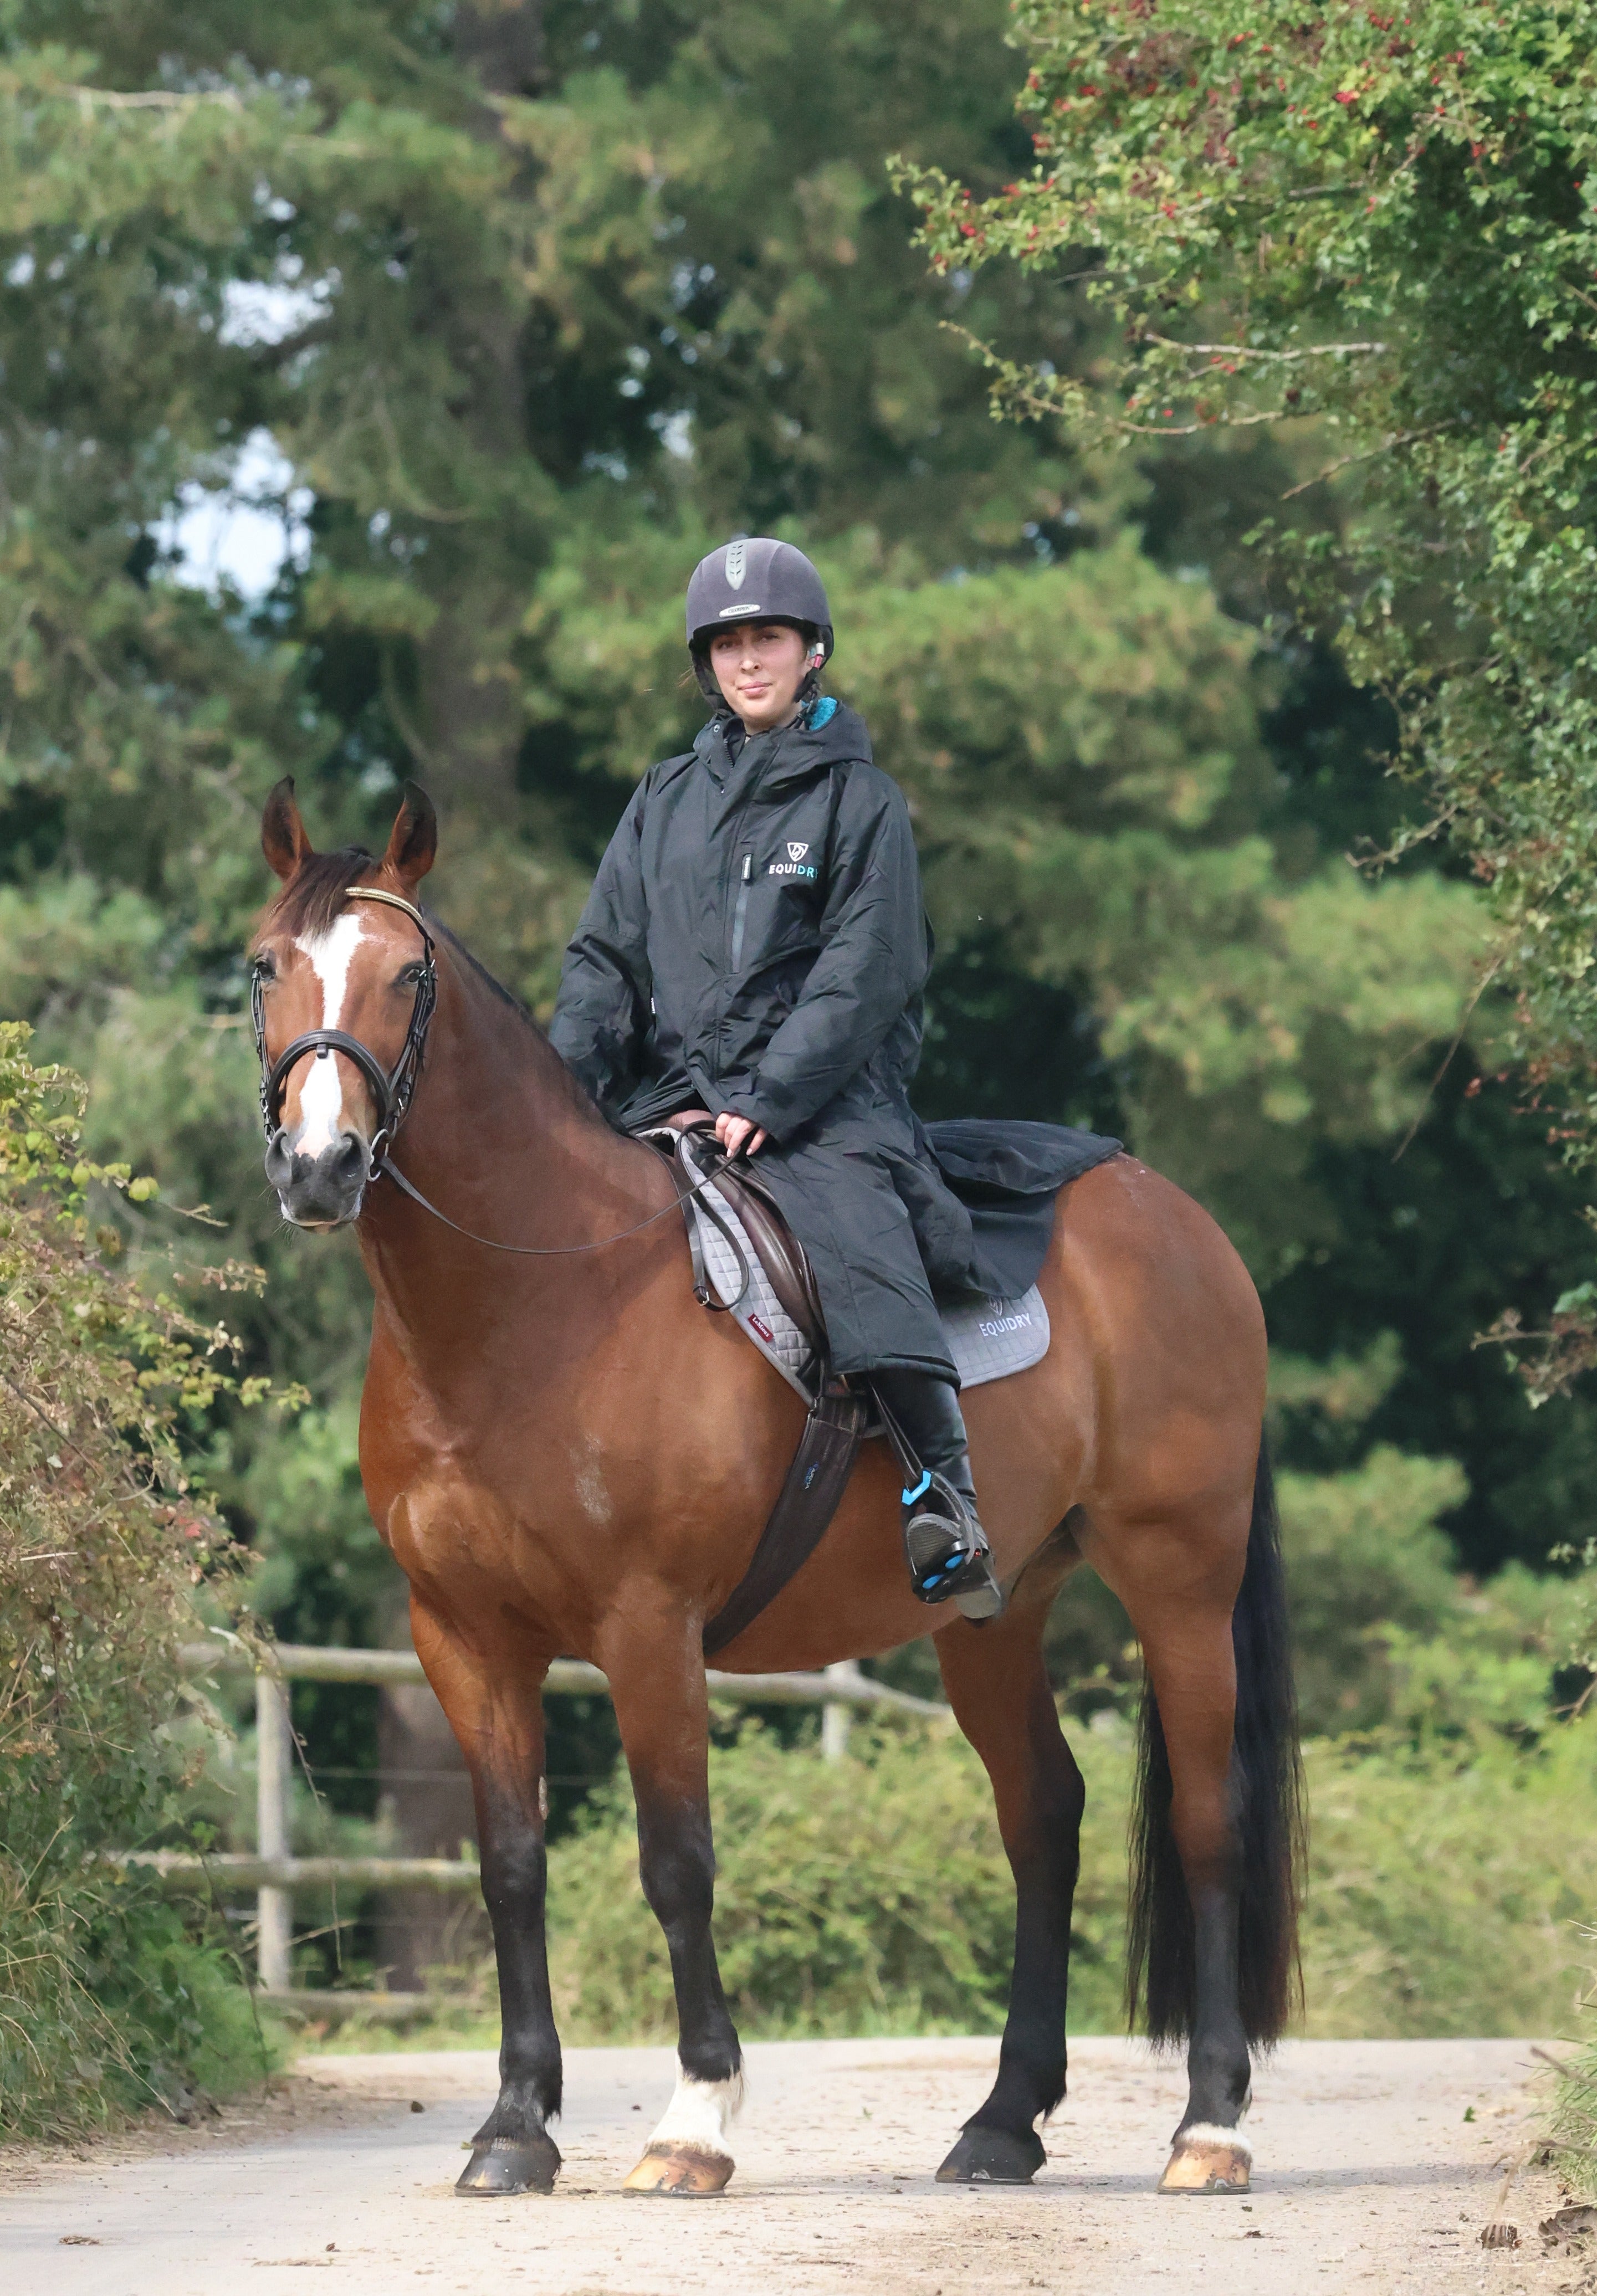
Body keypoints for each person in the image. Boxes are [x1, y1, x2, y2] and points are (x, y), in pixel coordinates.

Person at [549, 537, 1002, 1618]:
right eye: (729, 644)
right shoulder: (661, 798)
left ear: (812, 654)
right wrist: (566, 1096)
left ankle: (946, 1489)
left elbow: (866, 967)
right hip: (676, 1093)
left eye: (770, 640)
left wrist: (770, 1096)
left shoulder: (862, 802)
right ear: (707, 664)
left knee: (850, 1223)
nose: (749, 660)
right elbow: (603, 960)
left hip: (826, 1100)